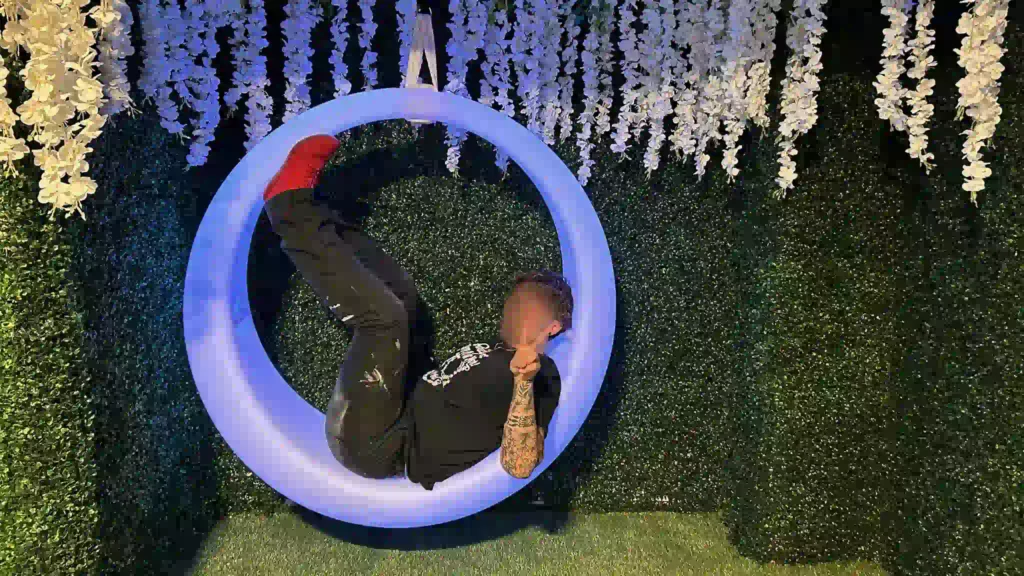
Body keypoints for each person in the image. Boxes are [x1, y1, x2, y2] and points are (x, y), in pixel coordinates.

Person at [262, 134, 572, 490]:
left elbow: (520, 465)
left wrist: (522, 383)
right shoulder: (493, 350)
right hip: (398, 404)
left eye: (528, 306)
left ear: (553, 327)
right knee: (406, 305)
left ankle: (288, 207)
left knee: (385, 321)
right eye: (514, 300)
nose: (513, 309)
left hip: (381, 445)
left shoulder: (542, 376)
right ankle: (313, 212)